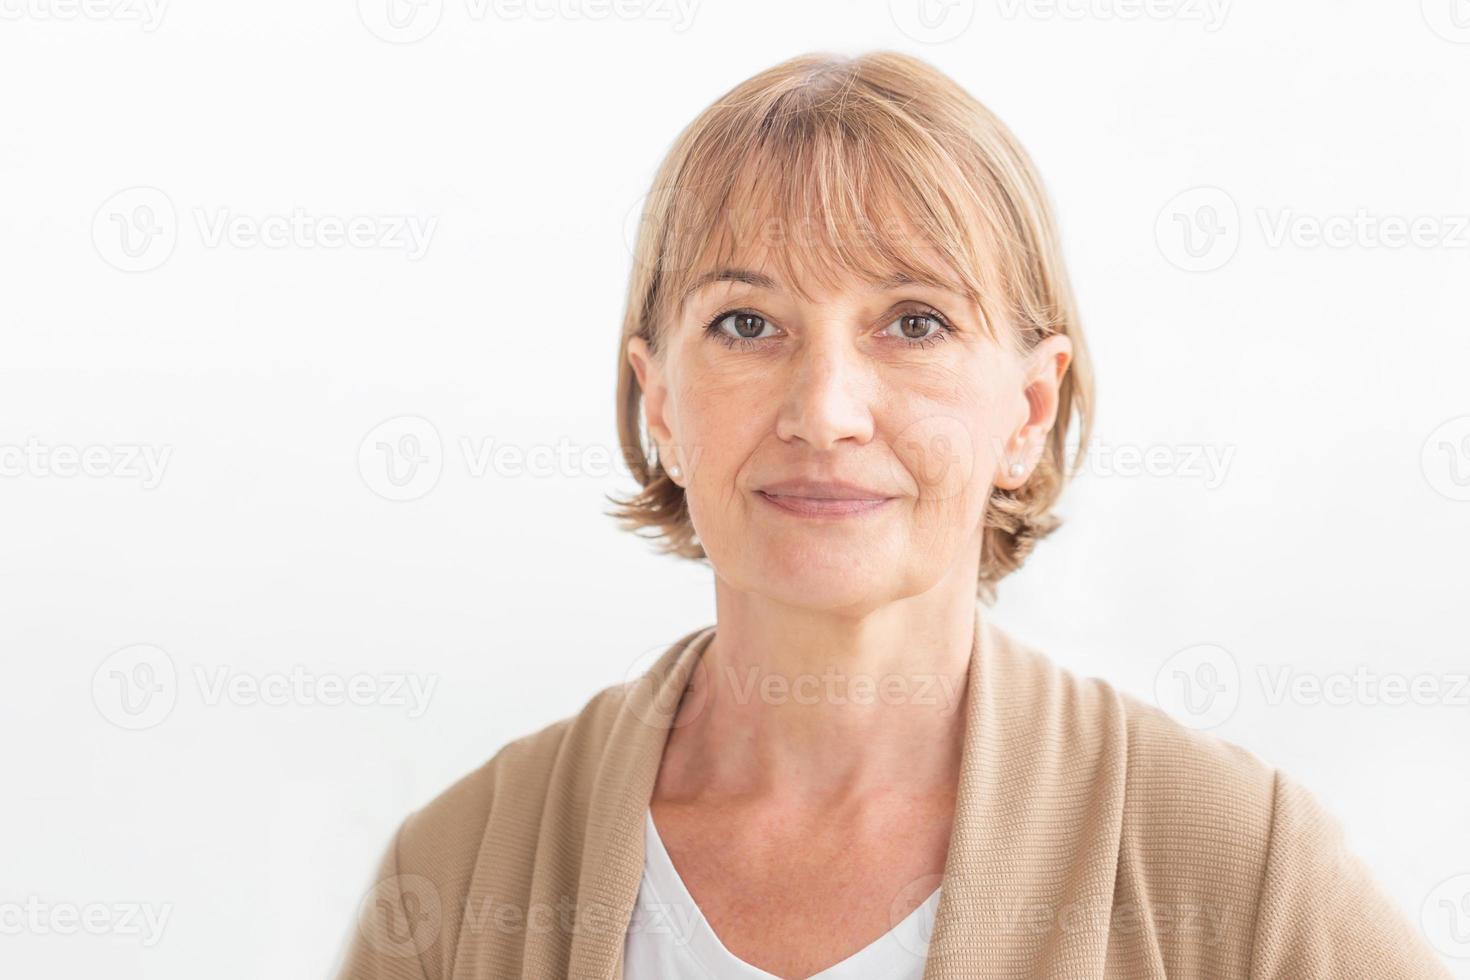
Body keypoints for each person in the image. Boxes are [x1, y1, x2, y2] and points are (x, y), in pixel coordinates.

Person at [334, 50, 1451, 979]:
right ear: (659, 398)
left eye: (913, 322)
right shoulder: (460, 872)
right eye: (745, 323)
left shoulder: (1234, 866)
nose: (825, 411)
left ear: (1028, 406)